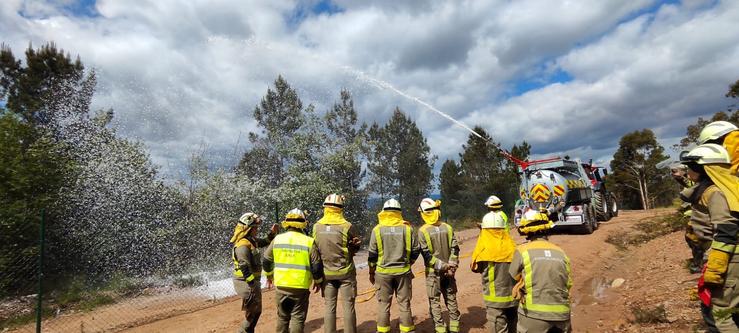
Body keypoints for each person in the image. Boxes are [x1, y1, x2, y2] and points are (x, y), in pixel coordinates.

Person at [681, 144, 739, 332]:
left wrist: (715, 268)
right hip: (726, 258)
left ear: (702, 169)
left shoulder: (715, 193)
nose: (687, 171)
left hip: (728, 259)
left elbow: (726, 231)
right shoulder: (712, 189)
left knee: (719, 313)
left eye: (690, 167)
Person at [509, 210, 572, 333]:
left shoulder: (522, 250)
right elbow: (568, 283)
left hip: (533, 315)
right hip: (562, 315)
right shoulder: (561, 252)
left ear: (526, 230)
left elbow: (513, 275)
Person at [263, 208, 324, 333]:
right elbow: (316, 265)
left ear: (287, 222)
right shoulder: (309, 241)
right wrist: (318, 281)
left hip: (281, 285)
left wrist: (269, 275)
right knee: (297, 318)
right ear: (303, 223)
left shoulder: (277, 239)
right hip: (300, 287)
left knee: (283, 317)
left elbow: (266, 260)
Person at [368, 199, 421, 333]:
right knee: (404, 303)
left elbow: (372, 255)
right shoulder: (407, 229)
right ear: (399, 212)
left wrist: (371, 272)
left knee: (383, 304)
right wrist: (410, 263)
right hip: (403, 272)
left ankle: (383, 330)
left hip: (383, 273)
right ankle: (407, 330)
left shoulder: (377, 230)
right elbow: (416, 250)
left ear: (384, 212)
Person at [312, 194, 362, 333]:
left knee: (329, 306)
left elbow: (315, 252)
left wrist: (317, 277)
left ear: (325, 208)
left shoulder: (316, 227)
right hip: (346, 273)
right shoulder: (347, 226)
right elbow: (355, 245)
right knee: (348, 306)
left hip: (326, 274)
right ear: (340, 209)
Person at [471, 196, 518, 333]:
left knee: (498, 327)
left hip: (495, 300)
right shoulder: (514, 248)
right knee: (513, 325)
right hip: (513, 297)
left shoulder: (483, 249)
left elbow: (475, 267)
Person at [417, 198, 461, 333]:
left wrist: (443, 266)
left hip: (433, 273)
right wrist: (451, 266)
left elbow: (427, 256)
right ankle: (455, 329)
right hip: (449, 271)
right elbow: (455, 249)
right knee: (451, 299)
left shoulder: (423, 231)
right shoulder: (448, 227)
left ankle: (440, 330)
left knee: (435, 302)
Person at [230, 212, 278, 333]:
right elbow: (244, 266)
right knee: (253, 312)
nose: (257, 230)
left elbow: (265, 241)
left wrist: (272, 233)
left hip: (252, 283)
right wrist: (252, 285)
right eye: (255, 228)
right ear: (248, 228)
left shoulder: (251, 240)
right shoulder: (242, 245)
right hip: (245, 283)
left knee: (255, 312)